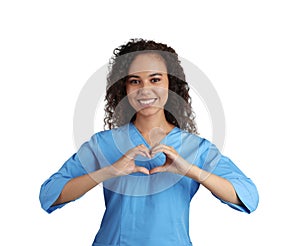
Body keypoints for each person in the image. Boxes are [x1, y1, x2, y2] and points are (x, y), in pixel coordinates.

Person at [39, 38, 259, 246]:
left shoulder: (196, 148)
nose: (145, 89)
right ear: (124, 88)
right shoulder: (103, 144)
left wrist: (191, 170)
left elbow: (248, 196)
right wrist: (108, 171)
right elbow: (50, 194)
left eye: (155, 79)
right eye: (135, 81)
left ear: (170, 84)